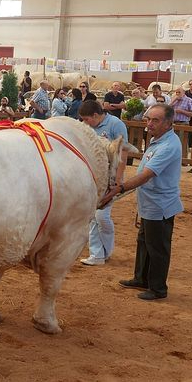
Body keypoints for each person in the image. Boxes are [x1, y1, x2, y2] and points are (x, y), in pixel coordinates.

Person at [102, 104, 183, 301]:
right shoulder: (158, 140)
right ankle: (141, 278)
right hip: (149, 201)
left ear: (168, 123)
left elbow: (147, 175)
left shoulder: (169, 145)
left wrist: (119, 188)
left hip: (160, 203)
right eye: (148, 119)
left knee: (157, 247)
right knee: (144, 242)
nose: (150, 124)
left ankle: (157, 288)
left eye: (155, 120)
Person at [78, 99, 128, 266]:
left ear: (95, 115)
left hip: (109, 176)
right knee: (93, 216)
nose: (85, 123)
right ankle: (99, 253)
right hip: (92, 176)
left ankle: (102, 251)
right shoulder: (87, 127)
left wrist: (118, 179)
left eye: (86, 119)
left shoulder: (116, 124)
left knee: (101, 216)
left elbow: (123, 154)